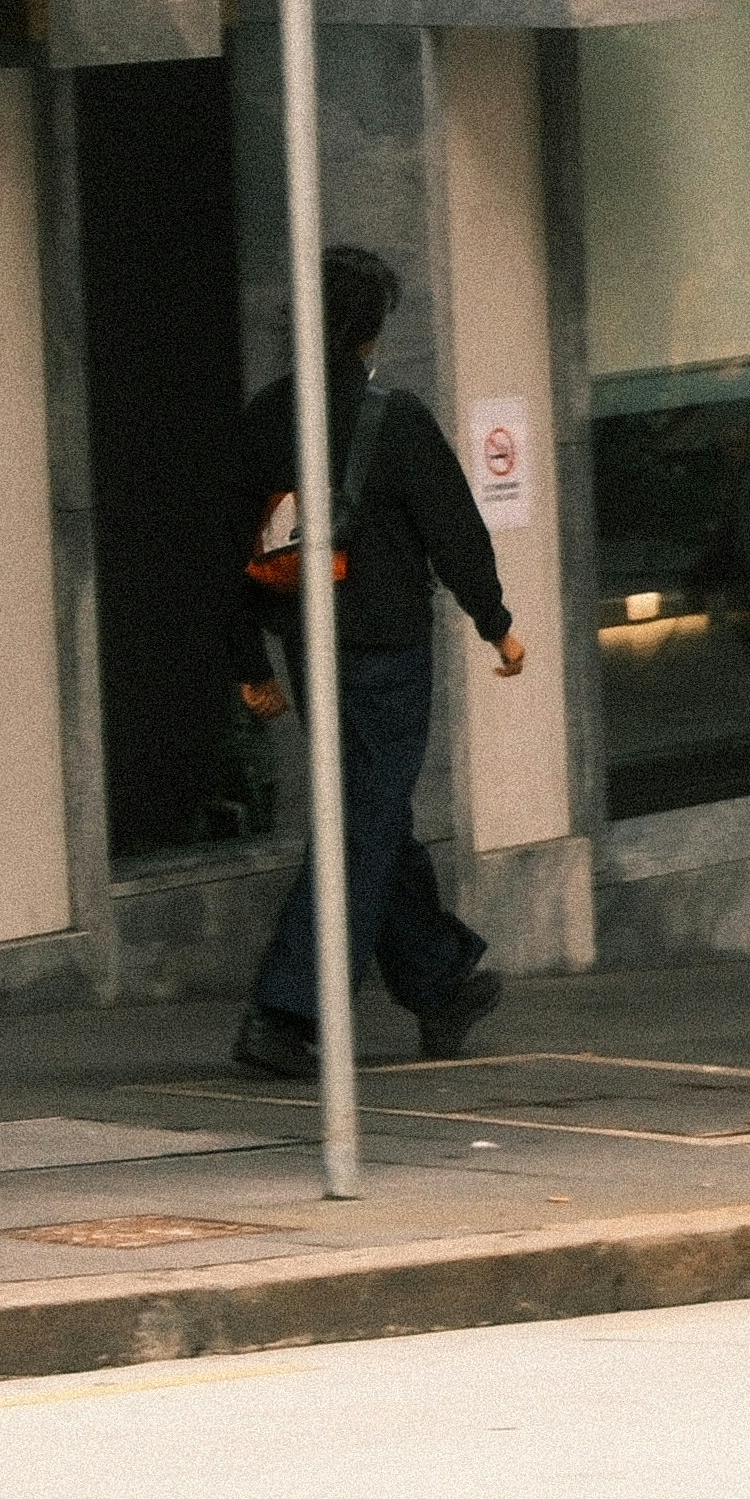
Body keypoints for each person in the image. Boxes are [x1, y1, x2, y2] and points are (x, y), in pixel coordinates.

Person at [236, 244, 528, 1079]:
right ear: (368, 335)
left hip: (304, 645)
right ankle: (285, 1012)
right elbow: (455, 531)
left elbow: (229, 547)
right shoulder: (392, 420)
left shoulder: (264, 419)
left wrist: (247, 660)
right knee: (364, 818)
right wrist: (496, 623)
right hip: (386, 652)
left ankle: (439, 983)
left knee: (373, 809)